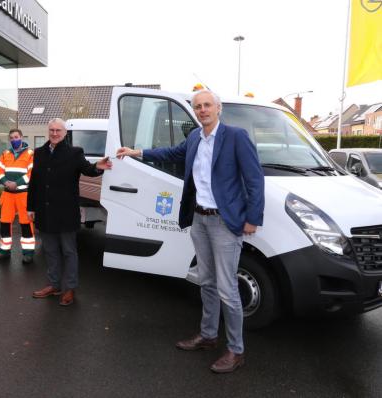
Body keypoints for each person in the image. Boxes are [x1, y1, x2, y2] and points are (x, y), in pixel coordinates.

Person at [116, 90, 265, 373]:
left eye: (207, 105)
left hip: (225, 222)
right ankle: (208, 335)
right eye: (198, 107)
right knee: (206, 281)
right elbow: (171, 153)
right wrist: (136, 152)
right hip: (199, 219)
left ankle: (236, 350)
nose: (202, 110)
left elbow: (254, 179)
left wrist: (252, 218)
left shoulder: (236, 137)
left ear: (218, 108)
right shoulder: (195, 137)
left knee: (228, 288)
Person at [28, 118, 112, 306]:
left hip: (66, 213)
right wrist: (31, 207)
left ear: (65, 133)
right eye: (52, 130)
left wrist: (98, 167)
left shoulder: (75, 153)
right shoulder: (39, 153)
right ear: (48, 132)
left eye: (58, 130)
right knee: (50, 251)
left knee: (68, 252)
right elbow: (34, 182)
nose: (55, 133)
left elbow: (88, 169)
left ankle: (70, 288)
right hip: (45, 211)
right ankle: (54, 285)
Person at [0, 128, 35, 264]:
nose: (14, 140)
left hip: (23, 194)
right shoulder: (5, 154)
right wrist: (5, 182)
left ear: (21, 137)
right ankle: (4, 252)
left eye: (16, 137)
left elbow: (32, 173)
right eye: (11, 138)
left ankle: (28, 253)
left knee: (26, 224)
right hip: (8, 195)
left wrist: (16, 183)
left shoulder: (30, 154)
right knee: (4, 223)